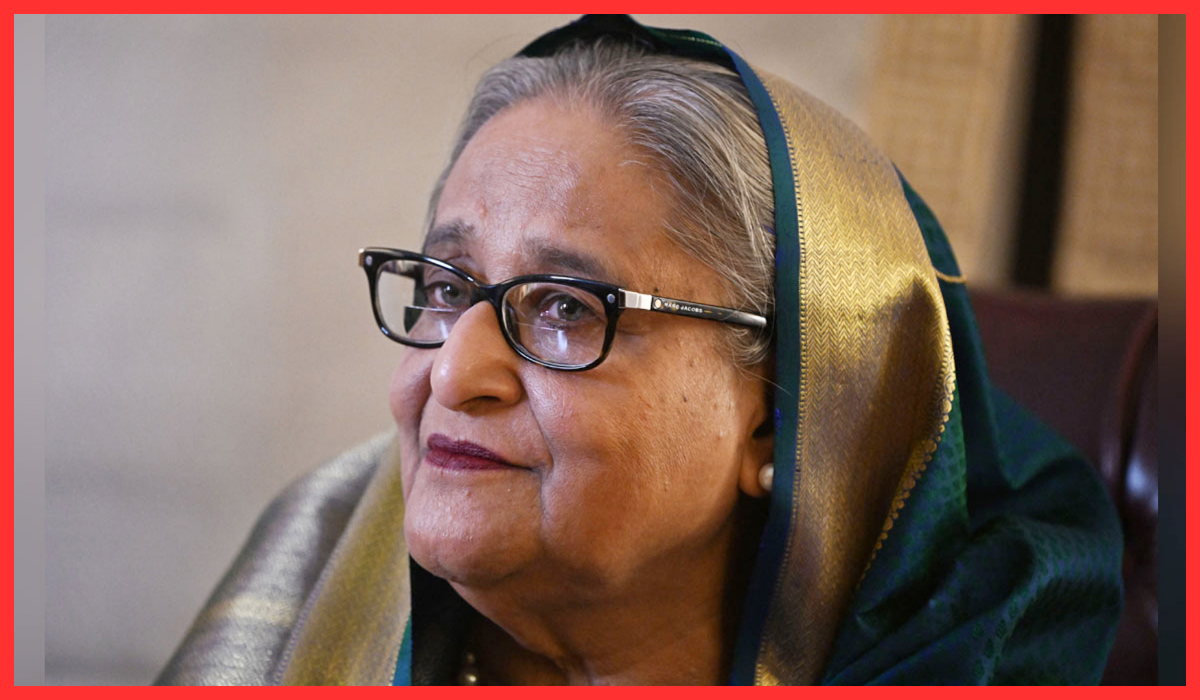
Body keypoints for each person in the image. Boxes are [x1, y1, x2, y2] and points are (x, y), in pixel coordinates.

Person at [156, 15, 1123, 685]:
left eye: (565, 308)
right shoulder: (313, 570)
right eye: (448, 289)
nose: (452, 371)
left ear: (784, 411)